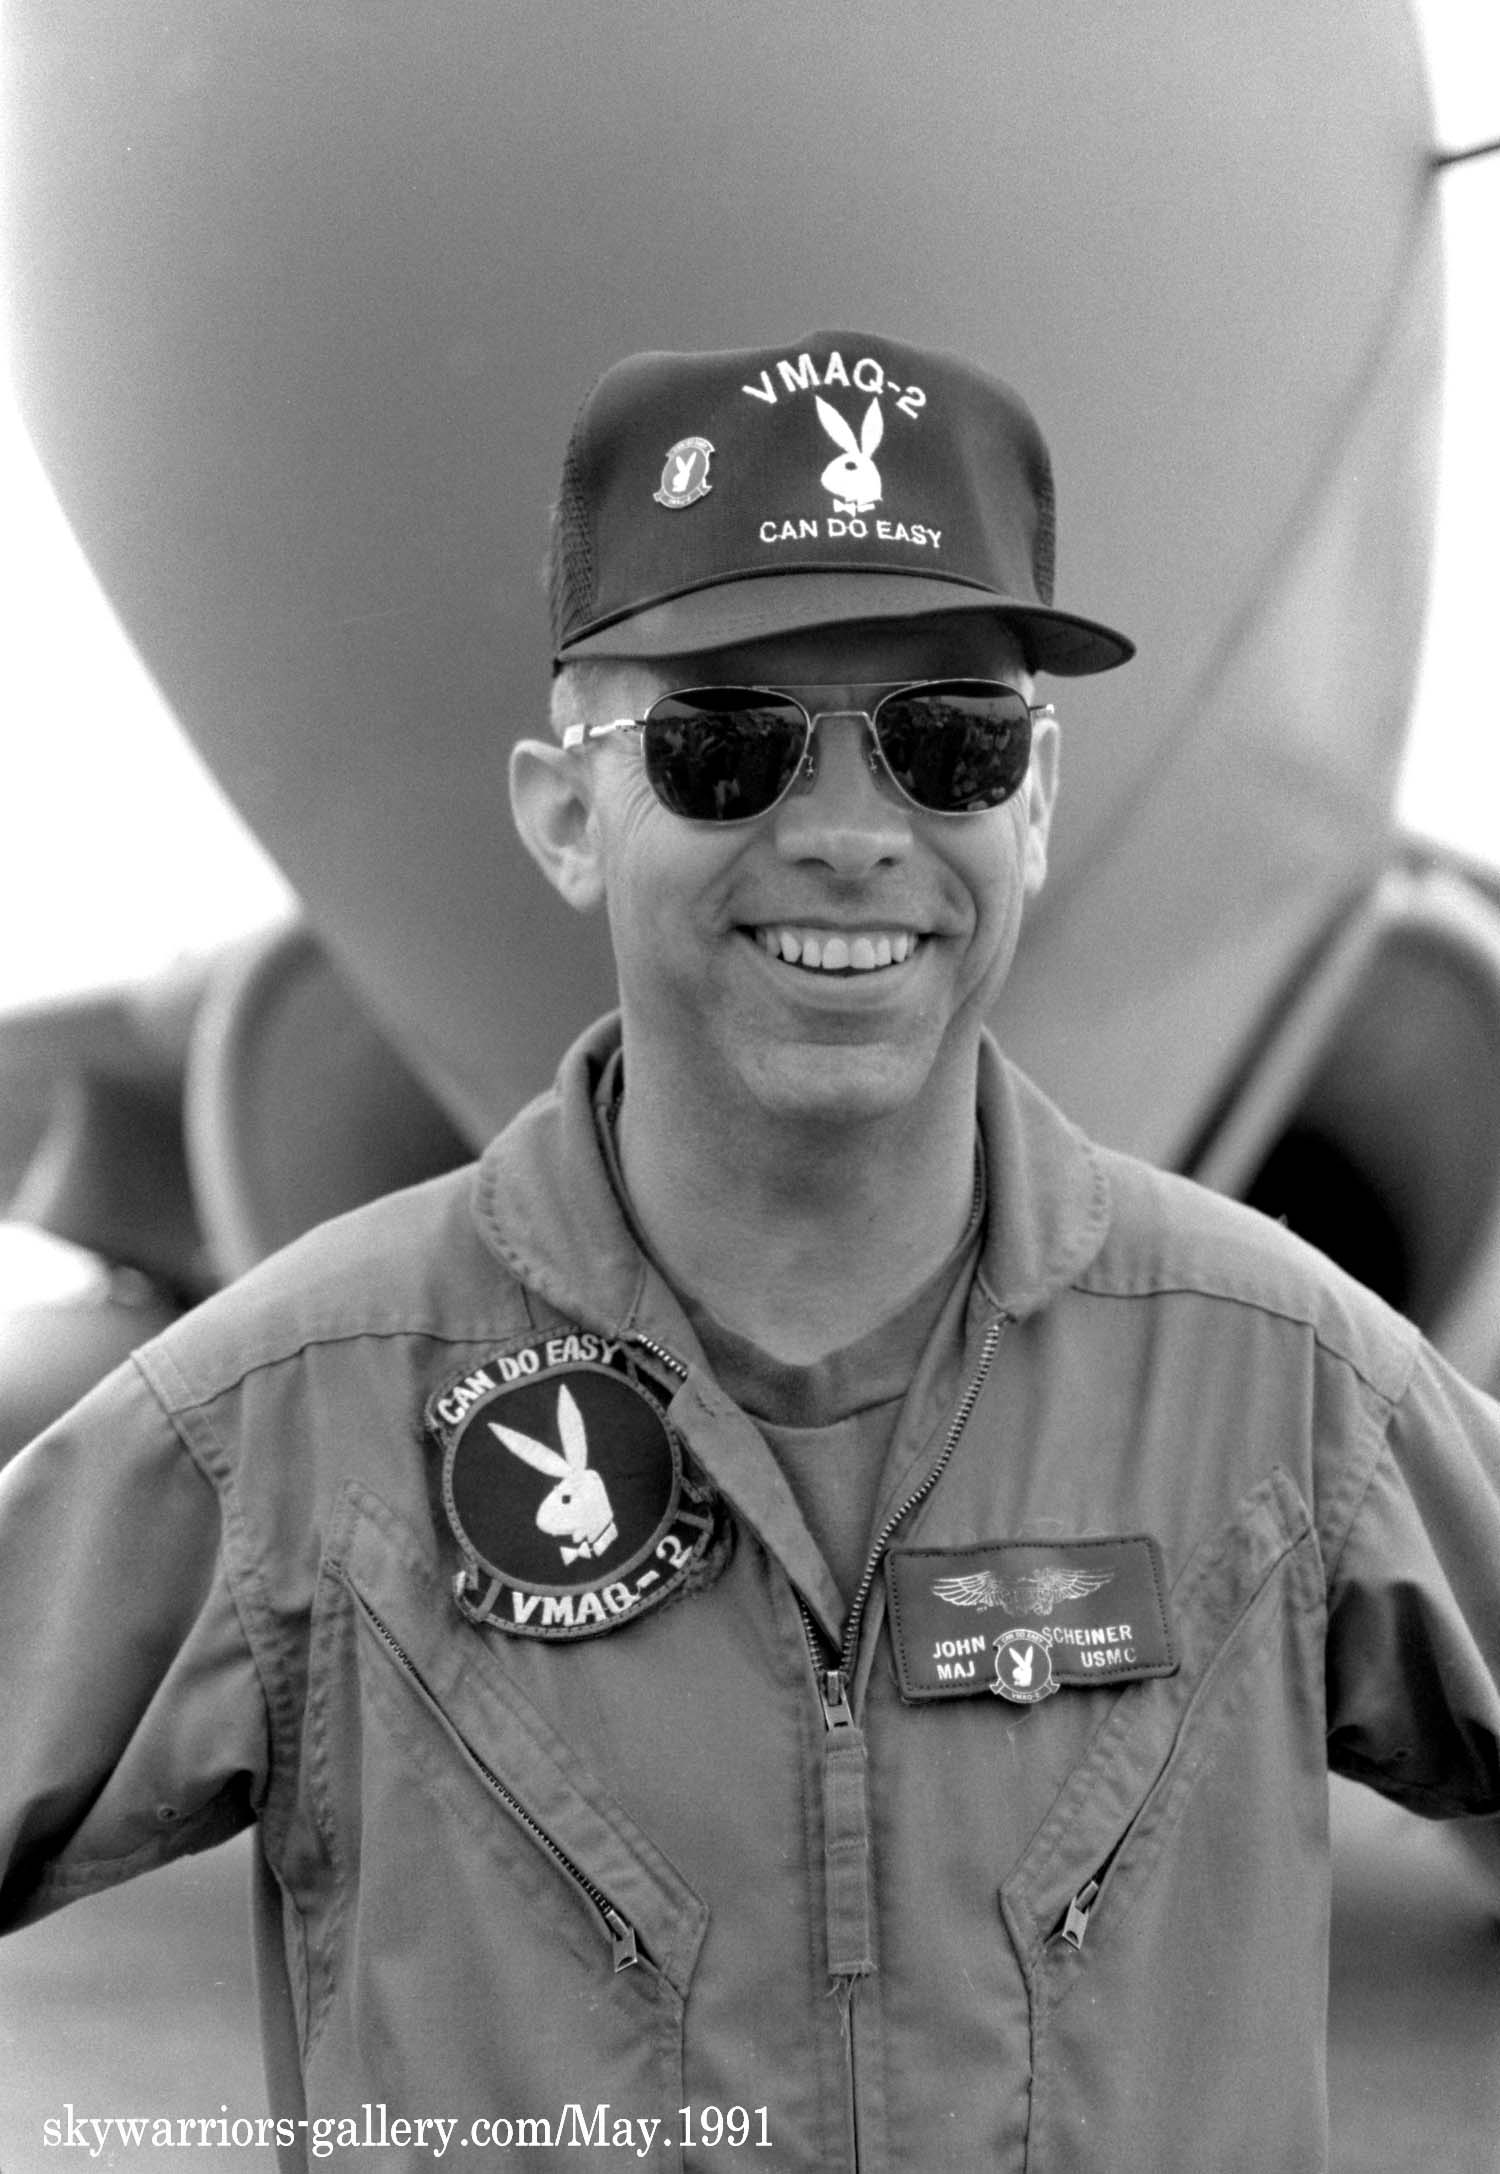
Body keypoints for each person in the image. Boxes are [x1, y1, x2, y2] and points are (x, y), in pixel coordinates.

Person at [2, 328, 1498, 2173]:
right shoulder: (298, 1423)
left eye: (949, 741)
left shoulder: (1284, 1393)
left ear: (1033, 802)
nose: (854, 834)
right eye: (726, 747)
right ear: (569, 815)